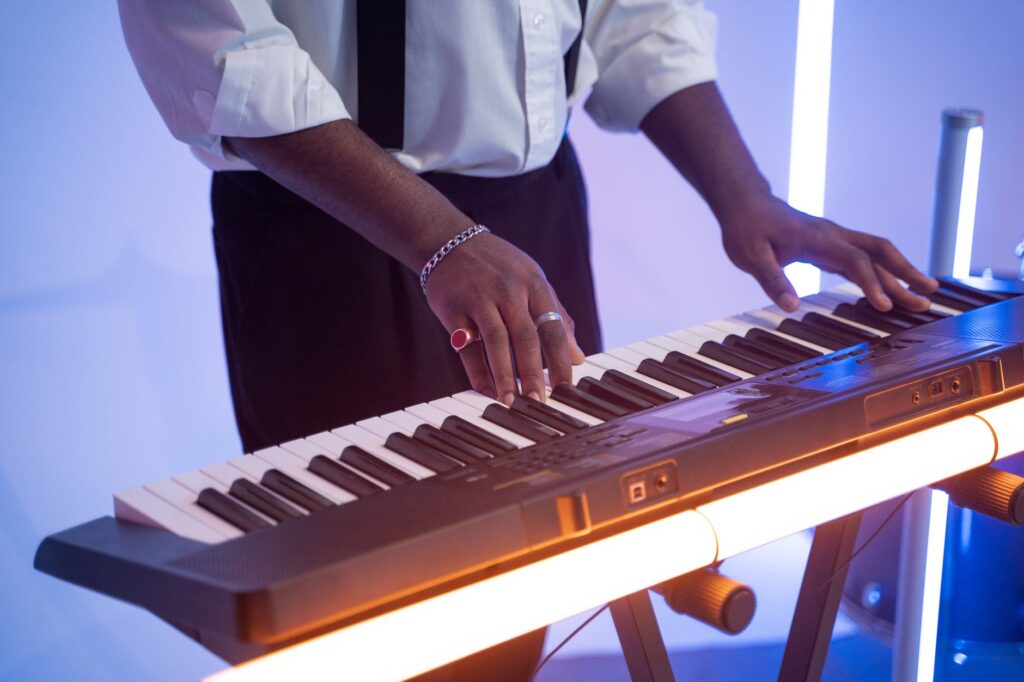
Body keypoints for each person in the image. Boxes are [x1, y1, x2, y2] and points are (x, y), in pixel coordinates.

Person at [118, 1, 938, 679]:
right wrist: (440, 239)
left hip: (529, 221)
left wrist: (746, 196)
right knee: (369, 621)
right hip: (334, 226)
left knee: (522, 602)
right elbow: (223, 49)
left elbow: (639, 17)